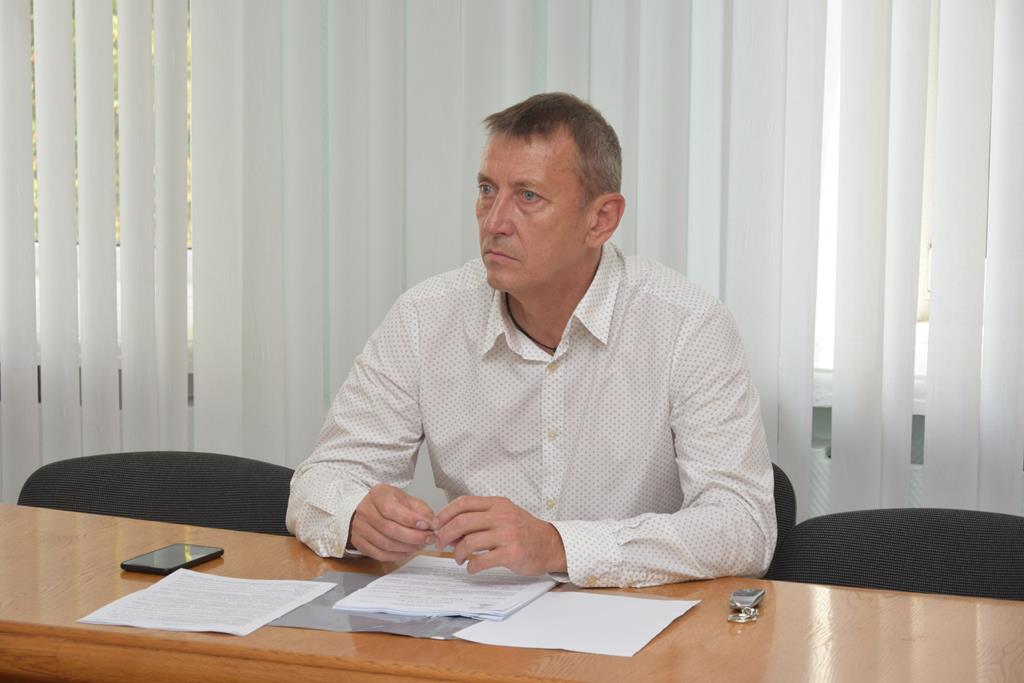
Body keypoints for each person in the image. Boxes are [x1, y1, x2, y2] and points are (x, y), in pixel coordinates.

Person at [287, 92, 776, 588]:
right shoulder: (424, 317)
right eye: (486, 190)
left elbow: (744, 525)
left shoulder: (688, 325)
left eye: (528, 197)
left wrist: (559, 546)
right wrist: (354, 513)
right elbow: (318, 481)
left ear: (600, 220)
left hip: (640, 618)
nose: (494, 222)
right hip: (477, 617)